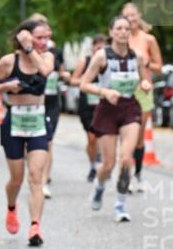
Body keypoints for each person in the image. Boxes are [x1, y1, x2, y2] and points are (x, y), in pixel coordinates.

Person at [0, 18, 56, 246]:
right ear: (25, 36)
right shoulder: (9, 61)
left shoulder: (47, 57)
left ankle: (35, 227)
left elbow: (45, 71)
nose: (45, 42)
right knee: (16, 179)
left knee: (36, 176)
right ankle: (11, 207)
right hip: (14, 121)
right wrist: (6, 86)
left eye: (47, 37)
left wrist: (29, 48)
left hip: (37, 121)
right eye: (40, 37)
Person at [81, 15, 152, 222]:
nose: (123, 32)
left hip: (130, 108)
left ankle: (120, 205)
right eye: (119, 28)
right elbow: (84, 84)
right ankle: (99, 187)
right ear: (111, 32)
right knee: (108, 164)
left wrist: (144, 85)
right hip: (107, 110)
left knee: (127, 159)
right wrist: (104, 92)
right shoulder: (101, 56)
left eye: (126, 29)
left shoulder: (137, 56)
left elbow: (144, 80)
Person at [123, 2, 163, 192]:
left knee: (138, 135)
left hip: (143, 90)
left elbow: (159, 68)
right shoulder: (119, 38)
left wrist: (146, 63)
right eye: (126, 16)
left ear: (139, 16)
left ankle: (137, 174)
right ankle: (125, 174)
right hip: (124, 90)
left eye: (133, 15)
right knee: (125, 134)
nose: (130, 19)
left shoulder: (148, 39)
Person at [30, 15, 69, 199]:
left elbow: (61, 71)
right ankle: (35, 175)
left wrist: (65, 75)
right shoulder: (26, 53)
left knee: (48, 142)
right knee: (32, 146)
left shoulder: (56, 52)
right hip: (31, 103)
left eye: (46, 30)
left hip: (51, 102)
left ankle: (44, 181)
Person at [71, 34, 107, 181]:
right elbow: (73, 80)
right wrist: (85, 82)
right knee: (92, 138)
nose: (99, 50)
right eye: (97, 47)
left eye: (102, 47)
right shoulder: (84, 61)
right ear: (92, 48)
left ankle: (103, 163)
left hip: (103, 104)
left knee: (103, 137)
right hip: (87, 105)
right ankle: (93, 165)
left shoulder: (108, 62)